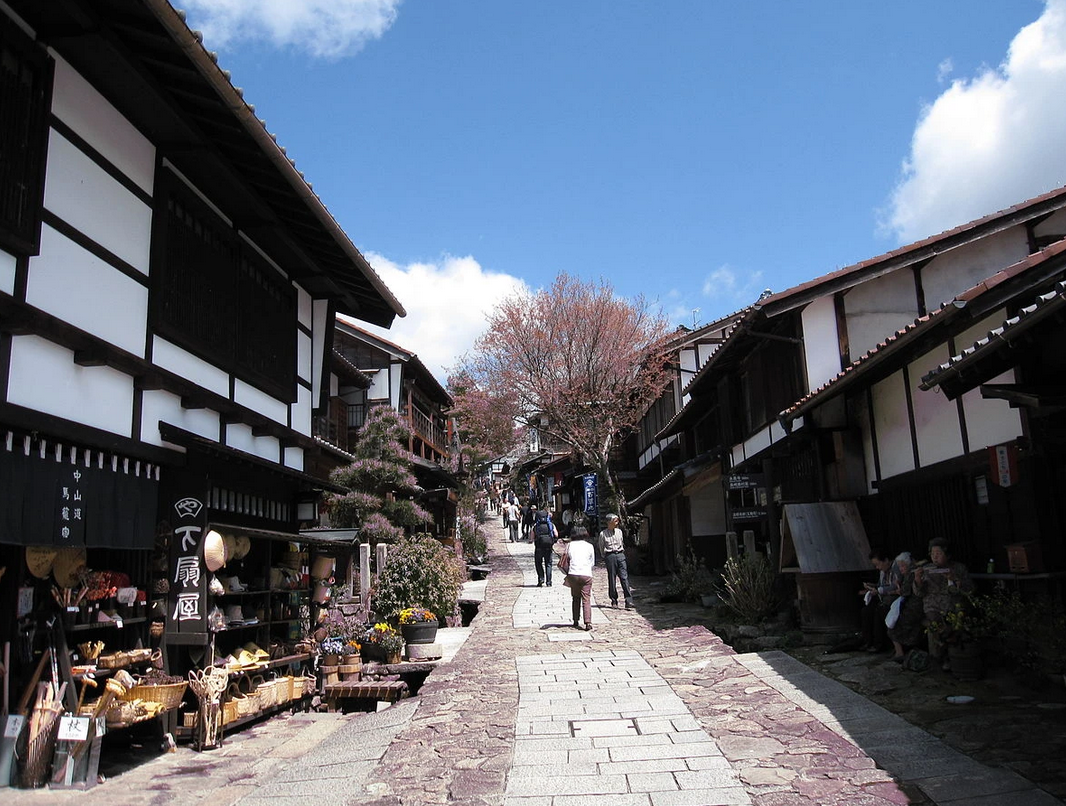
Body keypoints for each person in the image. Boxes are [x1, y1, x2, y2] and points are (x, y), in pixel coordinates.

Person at [913, 537, 973, 671]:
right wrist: (917, 580)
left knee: (957, 621)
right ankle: (940, 658)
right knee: (935, 622)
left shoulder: (959, 568)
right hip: (933, 606)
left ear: (948, 554)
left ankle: (952, 657)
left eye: (938, 554)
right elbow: (919, 593)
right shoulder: (927, 569)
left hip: (954, 605)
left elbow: (970, 590)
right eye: (932, 554)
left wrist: (954, 579)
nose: (935, 557)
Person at [887, 551, 924, 662]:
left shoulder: (911, 574)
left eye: (903, 566)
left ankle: (900, 652)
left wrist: (899, 589)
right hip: (912, 605)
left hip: (915, 607)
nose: (901, 569)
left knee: (893, 624)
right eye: (900, 566)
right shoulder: (909, 574)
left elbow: (905, 592)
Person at [859, 548, 894, 652]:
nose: (878, 568)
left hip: (892, 598)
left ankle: (879, 644)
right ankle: (868, 641)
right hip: (882, 597)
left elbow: (893, 587)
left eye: (878, 564)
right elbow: (880, 585)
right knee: (866, 611)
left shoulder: (895, 569)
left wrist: (879, 590)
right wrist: (872, 586)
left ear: (886, 560)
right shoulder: (882, 572)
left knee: (879, 610)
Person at [597, 513, 634, 609]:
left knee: (624, 577)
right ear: (609, 522)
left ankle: (628, 600)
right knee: (612, 578)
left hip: (620, 555)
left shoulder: (619, 532)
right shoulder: (603, 534)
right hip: (610, 556)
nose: (617, 522)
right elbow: (601, 547)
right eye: (615, 520)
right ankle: (614, 600)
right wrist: (605, 556)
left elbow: (622, 542)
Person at [562, 526, 595, 630]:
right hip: (586, 574)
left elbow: (566, 559)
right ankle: (588, 622)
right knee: (586, 598)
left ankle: (575, 620)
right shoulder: (589, 546)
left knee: (575, 598)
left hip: (573, 574)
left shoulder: (570, 545)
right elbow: (592, 562)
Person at [531, 506, 557, 586]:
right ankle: (549, 582)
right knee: (548, 563)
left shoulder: (535, 526)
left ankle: (541, 579)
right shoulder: (551, 525)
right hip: (548, 547)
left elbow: (531, 538)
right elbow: (556, 534)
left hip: (539, 547)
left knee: (538, 563)